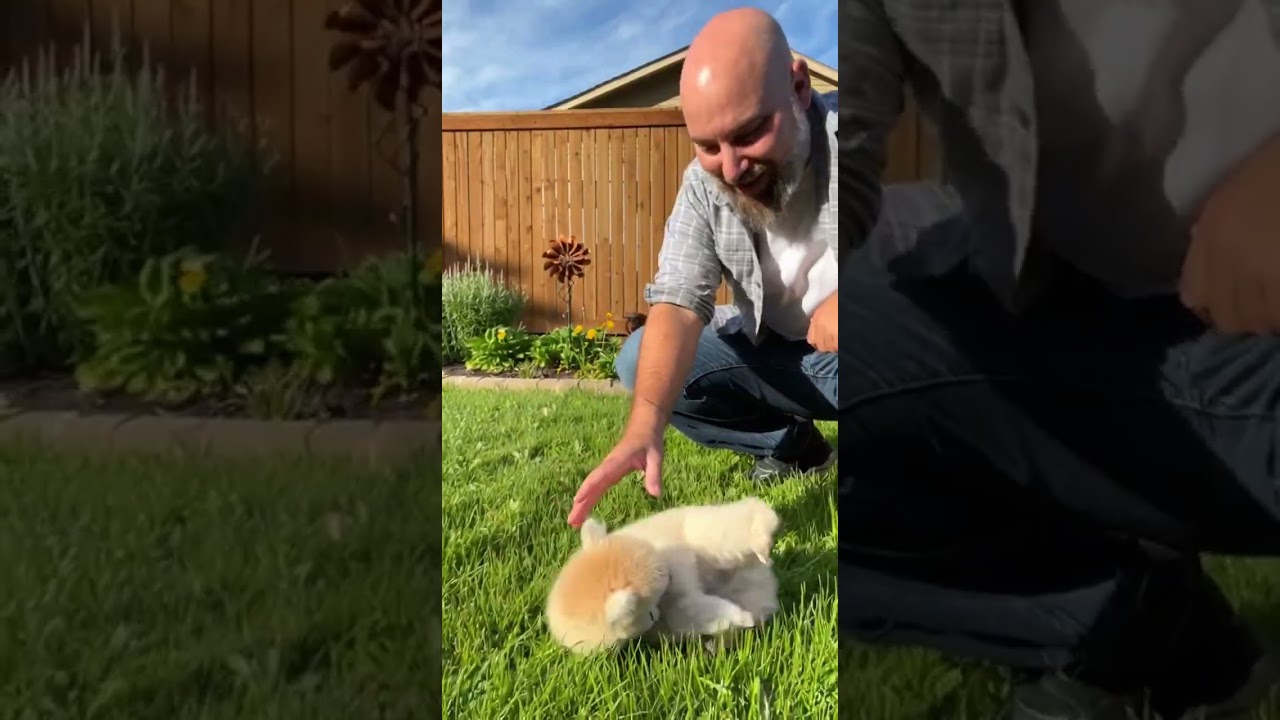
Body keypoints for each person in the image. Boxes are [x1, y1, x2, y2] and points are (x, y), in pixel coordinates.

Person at [837, 1, 1280, 719]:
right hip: (1068, 305)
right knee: (813, 369)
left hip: (1258, 336)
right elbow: (842, 153)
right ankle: (1141, 627)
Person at [567, 9, 841, 529]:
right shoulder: (703, 186)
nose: (732, 169)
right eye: (709, 146)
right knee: (640, 359)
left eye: (751, 133)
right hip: (782, 355)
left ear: (799, 87)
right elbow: (677, 302)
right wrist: (644, 427)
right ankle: (794, 446)